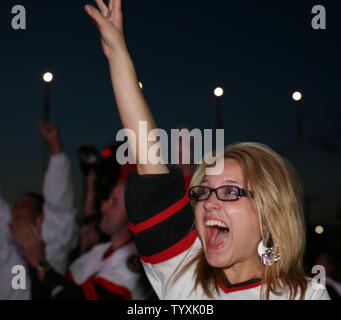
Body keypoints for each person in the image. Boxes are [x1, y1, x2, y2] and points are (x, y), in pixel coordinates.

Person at [85, 0, 331, 300]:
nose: (209, 203)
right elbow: (149, 160)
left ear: (270, 214)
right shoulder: (181, 269)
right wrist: (118, 53)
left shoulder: (306, 295)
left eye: (230, 191)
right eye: (203, 191)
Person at [11, 163, 153, 300]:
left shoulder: (137, 261)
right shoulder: (97, 252)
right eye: (108, 200)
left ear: (136, 213)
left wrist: (40, 263)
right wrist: (33, 259)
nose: (103, 208)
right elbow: (52, 293)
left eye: (114, 202)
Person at [1, 121, 78, 299]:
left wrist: (54, 145)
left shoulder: (53, 242)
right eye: (17, 204)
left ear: (40, 217)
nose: (18, 208)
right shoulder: (5, 239)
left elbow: (59, 206)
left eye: (26, 205)